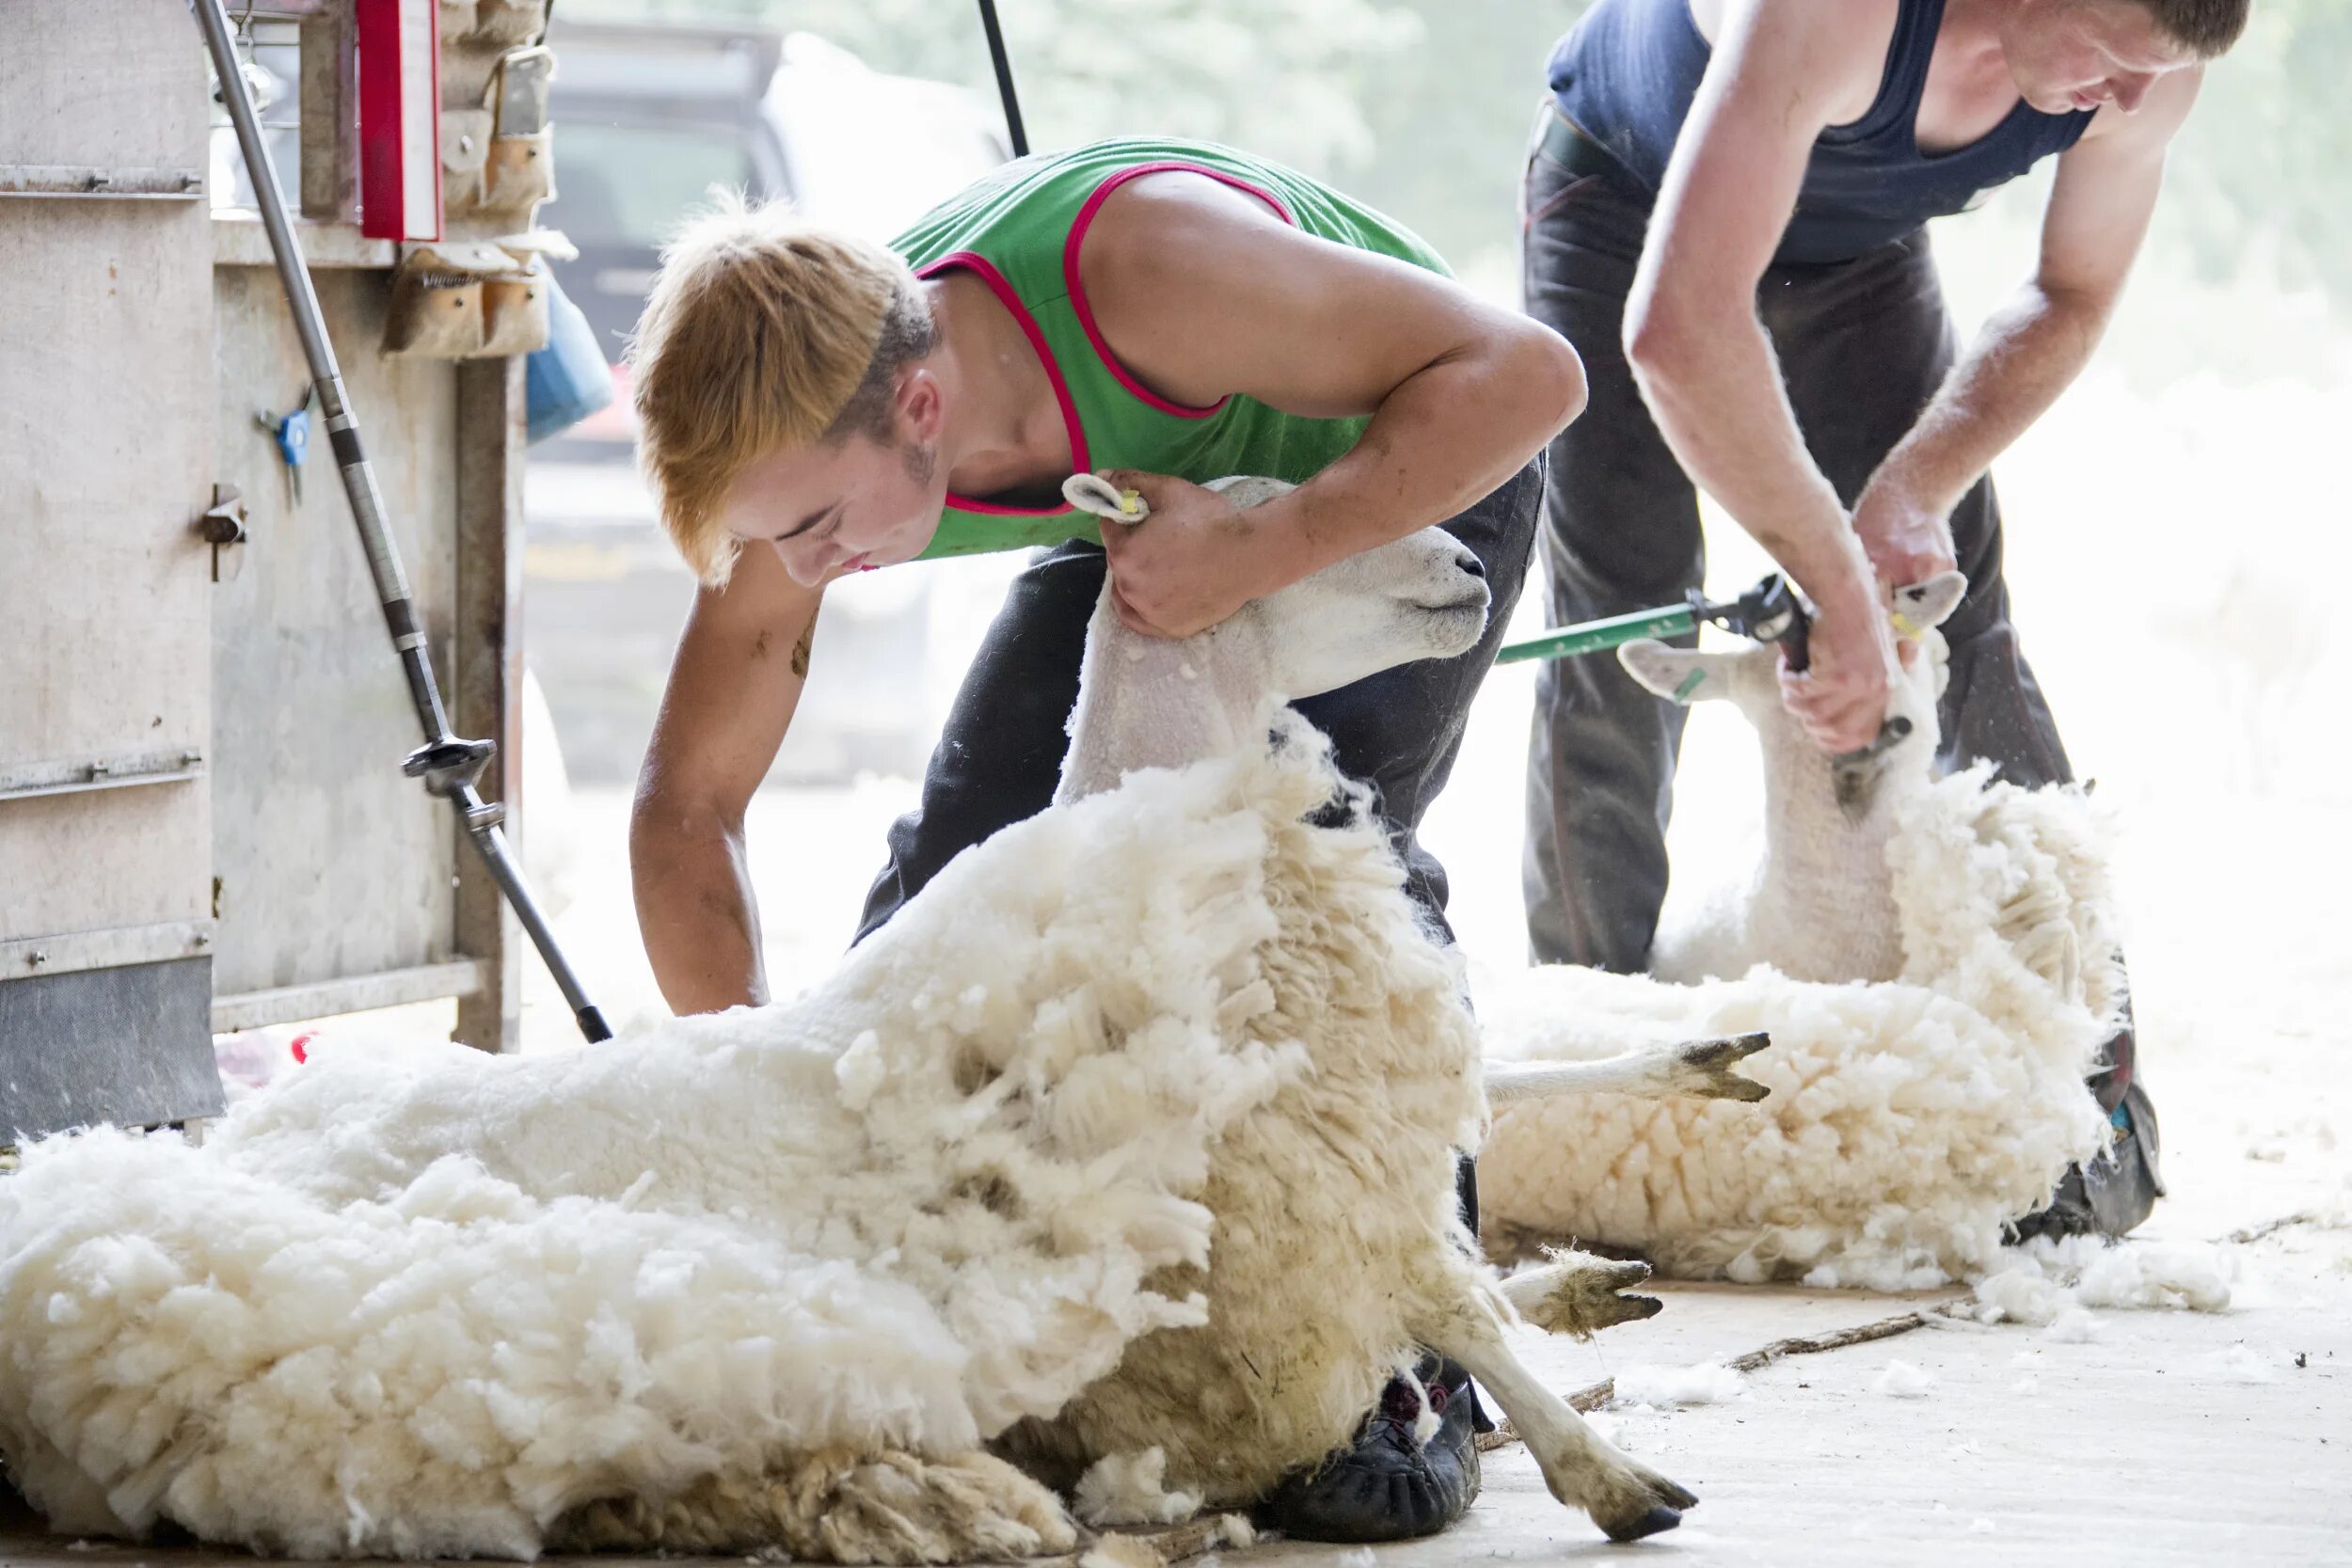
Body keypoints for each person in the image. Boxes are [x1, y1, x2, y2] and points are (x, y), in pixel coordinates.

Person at [624, 138, 1585, 1540]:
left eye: (824, 529)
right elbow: (685, 813)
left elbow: (1531, 375)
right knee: (954, 884)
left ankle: (1413, 1365)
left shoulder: (1153, 275)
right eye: (783, 541)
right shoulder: (804, 462)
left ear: (922, 400)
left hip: (1401, 467)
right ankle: (978, 1291)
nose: (807, 571)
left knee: (1318, 865)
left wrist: (1259, 554)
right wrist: (783, 1138)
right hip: (1136, 492)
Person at [1521, 0, 2248, 1237]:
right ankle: (1582, 1087)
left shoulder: (2147, 70)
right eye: (2115, 56)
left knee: (1962, 622)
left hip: (1855, 251)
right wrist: (1831, 584)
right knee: (1625, 628)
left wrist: (1912, 489)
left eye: (2158, 74)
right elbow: (1683, 325)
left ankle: (2088, 1111)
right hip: (1628, 210)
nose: (2129, 102)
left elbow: (2070, 295)